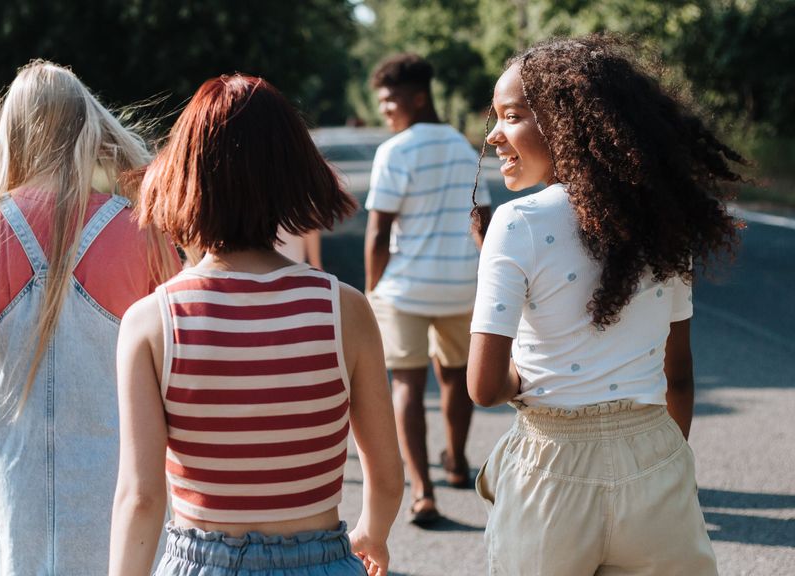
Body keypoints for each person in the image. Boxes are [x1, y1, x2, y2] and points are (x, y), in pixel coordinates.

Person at [109, 74, 405, 576]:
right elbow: (387, 472)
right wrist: (372, 531)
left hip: (203, 562)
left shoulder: (153, 322)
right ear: (295, 175)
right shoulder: (344, 309)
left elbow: (140, 497)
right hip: (322, 561)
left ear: (183, 176)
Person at [469, 35, 742, 575]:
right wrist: (667, 464)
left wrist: (522, 366)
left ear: (567, 123)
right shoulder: (664, 226)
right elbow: (678, 374)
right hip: (655, 460)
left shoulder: (517, 223)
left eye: (513, 116)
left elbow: (483, 386)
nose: (495, 135)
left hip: (551, 473)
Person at [0, 60, 180, 575]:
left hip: (14, 480)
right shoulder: (143, 231)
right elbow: (179, 366)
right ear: (84, 126)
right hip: (122, 483)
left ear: (12, 133)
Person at [364, 53, 492, 524]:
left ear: (418, 97)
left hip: (406, 290)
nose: (384, 110)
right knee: (457, 376)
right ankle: (456, 461)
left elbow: (378, 233)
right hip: (462, 284)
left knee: (407, 385)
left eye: (389, 100)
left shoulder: (395, 152)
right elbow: (483, 220)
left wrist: (370, 289)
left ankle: (422, 491)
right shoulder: (465, 147)